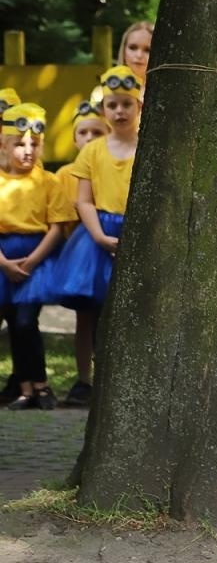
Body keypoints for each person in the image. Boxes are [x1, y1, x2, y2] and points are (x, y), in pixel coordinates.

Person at [54, 67, 144, 383]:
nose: (119, 111)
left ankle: (123, 379)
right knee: (87, 314)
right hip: (97, 236)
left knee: (130, 314)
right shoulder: (93, 151)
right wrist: (101, 238)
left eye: (126, 104)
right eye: (112, 105)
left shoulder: (148, 147)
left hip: (136, 233)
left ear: (139, 106)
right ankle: (84, 379)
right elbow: (84, 200)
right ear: (104, 109)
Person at [0, 103, 67, 409]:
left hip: (35, 258)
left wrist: (32, 261)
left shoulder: (49, 182)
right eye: (20, 144)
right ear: (4, 144)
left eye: (35, 145)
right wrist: (4, 262)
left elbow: (56, 227)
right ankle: (25, 388)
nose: (28, 151)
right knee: (13, 322)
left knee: (26, 320)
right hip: (4, 258)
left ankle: (41, 385)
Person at [53, 102, 109, 406]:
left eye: (96, 131)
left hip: (106, 242)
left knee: (109, 317)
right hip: (81, 252)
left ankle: (106, 377)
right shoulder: (64, 174)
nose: (89, 137)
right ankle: (83, 379)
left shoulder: (106, 159)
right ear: (74, 139)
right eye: (83, 132)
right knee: (84, 318)